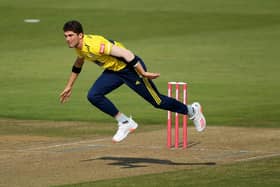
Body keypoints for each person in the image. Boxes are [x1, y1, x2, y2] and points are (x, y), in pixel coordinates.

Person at [60, 20, 206, 143]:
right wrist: (69, 86)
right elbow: (78, 64)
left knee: (158, 102)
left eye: (71, 35)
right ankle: (125, 122)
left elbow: (126, 54)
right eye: (66, 36)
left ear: (80, 35)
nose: (67, 39)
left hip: (131, 69)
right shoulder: (79, 47)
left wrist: (142, 72)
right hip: (114, 72)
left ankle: (192, 110)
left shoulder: (96, 44)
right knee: (93, 95)